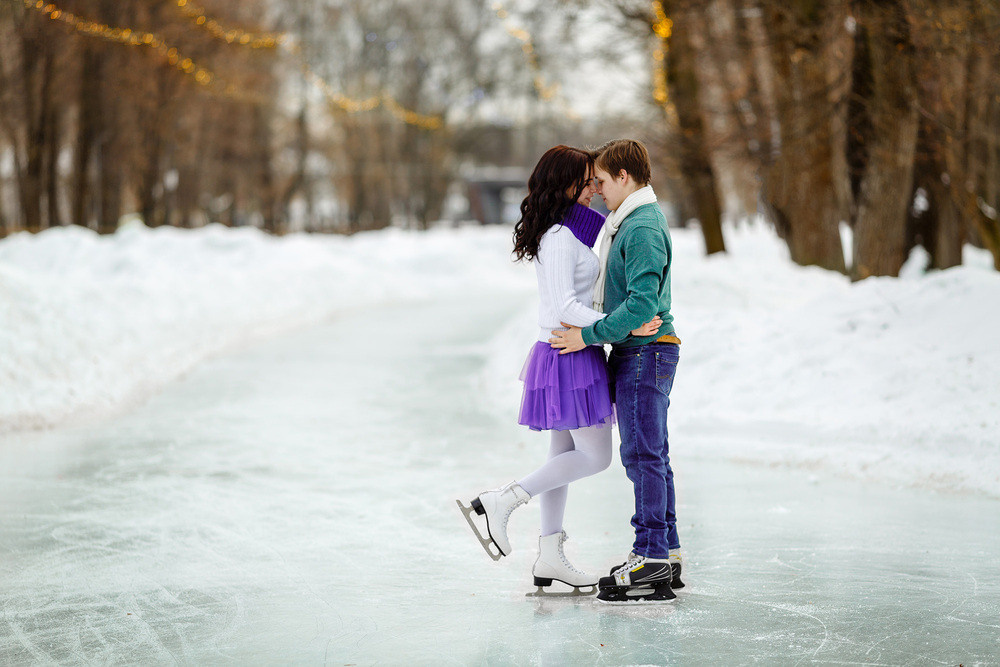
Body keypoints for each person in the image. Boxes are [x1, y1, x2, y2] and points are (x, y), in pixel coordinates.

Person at [457, 145, 662, 597]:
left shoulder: (571, 234)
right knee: (595, 457)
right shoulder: (558, 238)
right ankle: (503, 499)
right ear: (566, 184)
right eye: (587, 181)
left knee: (562, 458)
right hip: (567, 352)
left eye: (595, 181)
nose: (593, 189)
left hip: (573, 350)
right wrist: (619, 323)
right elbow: (562, 307)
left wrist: (604, 324)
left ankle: (550, 553)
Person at [548, 139, 683, 604]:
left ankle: (649, 556)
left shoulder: (641, 226)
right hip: (641, 350)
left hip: (645, 353)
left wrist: (589, 335)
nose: (598, 191)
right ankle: (666, 550)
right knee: (652, 454)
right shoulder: (628, 221)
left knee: (642, 456)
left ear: (624, 176)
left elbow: (643, 301)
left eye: (601, 181)